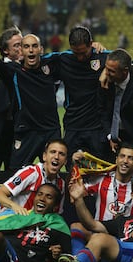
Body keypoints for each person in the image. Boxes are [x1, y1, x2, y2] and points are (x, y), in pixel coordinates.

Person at [0, 27, 61, 169]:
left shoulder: (52, 65)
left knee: (53, 173)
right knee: (16, 173)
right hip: (26, 132)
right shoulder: (14, 71)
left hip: (50, 131)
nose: (31, 50)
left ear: (41, 49)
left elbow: (75, 56)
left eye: (34, 46)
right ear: (21, 51)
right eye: (26, 46)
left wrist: (94, 50)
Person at [46, 26, 110, 170]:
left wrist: (107, 69)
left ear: (91, 44)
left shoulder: (102, 56)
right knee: (71, 171)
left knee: (100, 170)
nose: (80, 57)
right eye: (76, 53)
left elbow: (123, 59)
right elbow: (38, 60)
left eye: (83, 53)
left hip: (97, 127)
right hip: (73, 126)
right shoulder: (63, 59)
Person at [69, 143, 133, 254]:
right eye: (122, 156)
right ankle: (77, 257)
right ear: (116, 159)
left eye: (130, 158)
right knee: (76, 226)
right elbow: (76, 193)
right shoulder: (102, 179)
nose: (125, 161)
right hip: (99, 230)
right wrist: (75, 163)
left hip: (126, 236)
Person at [0, 183, 71, 262]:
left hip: (15, 259)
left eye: (49, 197)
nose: (42, 199)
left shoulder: (58, 225)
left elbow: (67, 255)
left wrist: (56, 255)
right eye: (39, 194)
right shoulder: (22, 215)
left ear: (55, 206)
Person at [100, 48, 133, 164]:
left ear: (125, 71)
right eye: (106, 69)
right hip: (109, 140)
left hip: (132, 138)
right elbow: (102, 112)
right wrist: (110, 135)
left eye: (111, 71)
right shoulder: (105, 83)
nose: (106, 73)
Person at [0, 139, 67, 215]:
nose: (56, 157)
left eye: (61, 154)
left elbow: (56, 214)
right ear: (44, 156)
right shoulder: (31, 173)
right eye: (53, 152)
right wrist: (15, 207)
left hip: (35, 224)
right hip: (11, 220)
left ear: (65, 161)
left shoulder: (61, 184)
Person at [0, 26, 22, 170]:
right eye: (17, 45)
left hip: (17, 134)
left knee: (14, 180)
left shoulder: (29, 71)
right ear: (5, 50)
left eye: (23, 44)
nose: (21, 48)